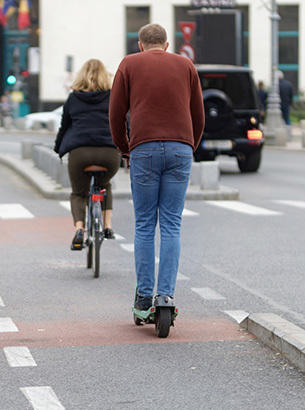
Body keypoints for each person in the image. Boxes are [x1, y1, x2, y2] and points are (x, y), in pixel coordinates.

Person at [109, 24, 204, 311]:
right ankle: (166, 296)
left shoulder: (129, 64)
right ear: (165, 44)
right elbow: (198, 114)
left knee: (145, 224)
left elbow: (115, 114)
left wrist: (125, 148)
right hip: (180, 149)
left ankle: (144, 296)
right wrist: (189, 146)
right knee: (172, 224)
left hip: (143, 149)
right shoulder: (186, 65)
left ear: (140, 44)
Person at [54, 58, 121, 250]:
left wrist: (58, 149)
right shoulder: (114, 96)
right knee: (104, 185)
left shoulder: (73, 98)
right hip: (109, 153)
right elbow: (124, 124)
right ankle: (107, 226)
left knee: (78, 193)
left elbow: (64, 127)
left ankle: (80, 230)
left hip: (79, 153)